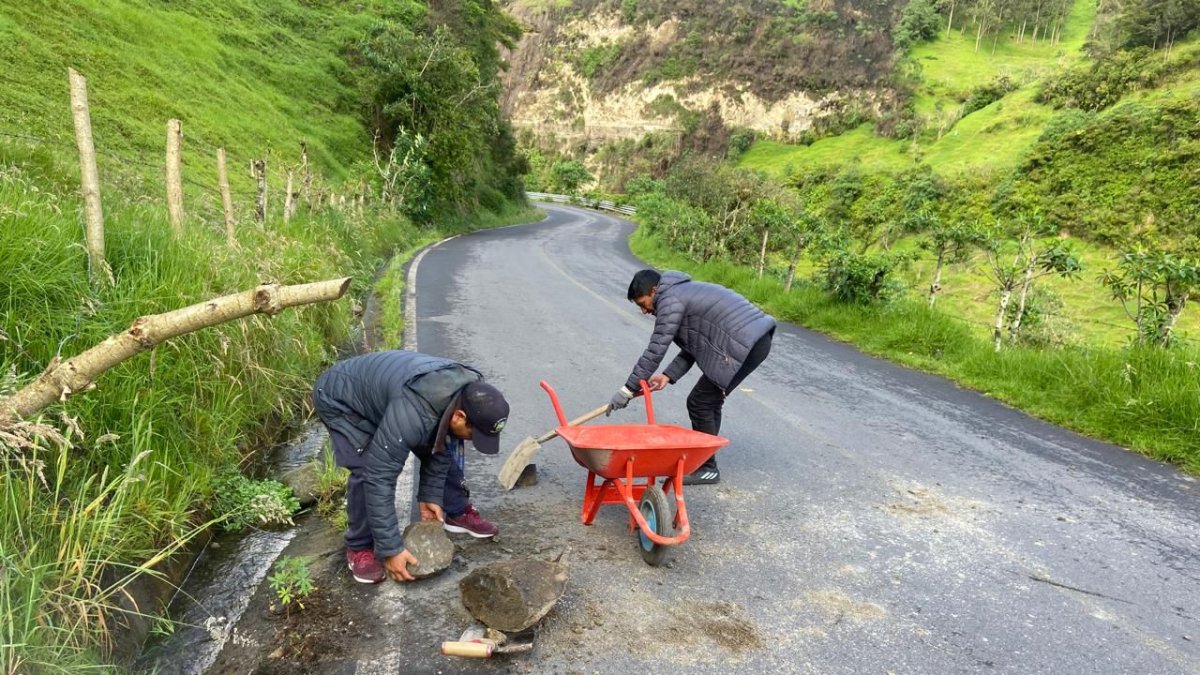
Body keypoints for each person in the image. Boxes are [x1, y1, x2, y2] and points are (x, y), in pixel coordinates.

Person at [312, 350, 508, 584]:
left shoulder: (472, 392)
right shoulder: (413, 412)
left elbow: (440, 443)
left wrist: (430, 495)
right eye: (473, 434)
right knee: (367, 467)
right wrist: (391, 549)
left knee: (447, 440)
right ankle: (359, 547)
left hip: (391, 393)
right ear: (459, 415)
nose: (472, 441)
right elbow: (379, 476)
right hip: (341, 399)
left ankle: (455, 510)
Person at [609, 269, 775, 485]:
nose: (644, 311)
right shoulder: (679, 293)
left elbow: (656, 349)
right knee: (708, 400)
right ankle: (705, 463)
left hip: (745, 344)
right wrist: (668, 375)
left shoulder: (669, 300)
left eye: (643, 303)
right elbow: (695, 345)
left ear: (654, 290)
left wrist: (627, 389)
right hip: (753, 340)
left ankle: (707, 468)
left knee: (701, 402)